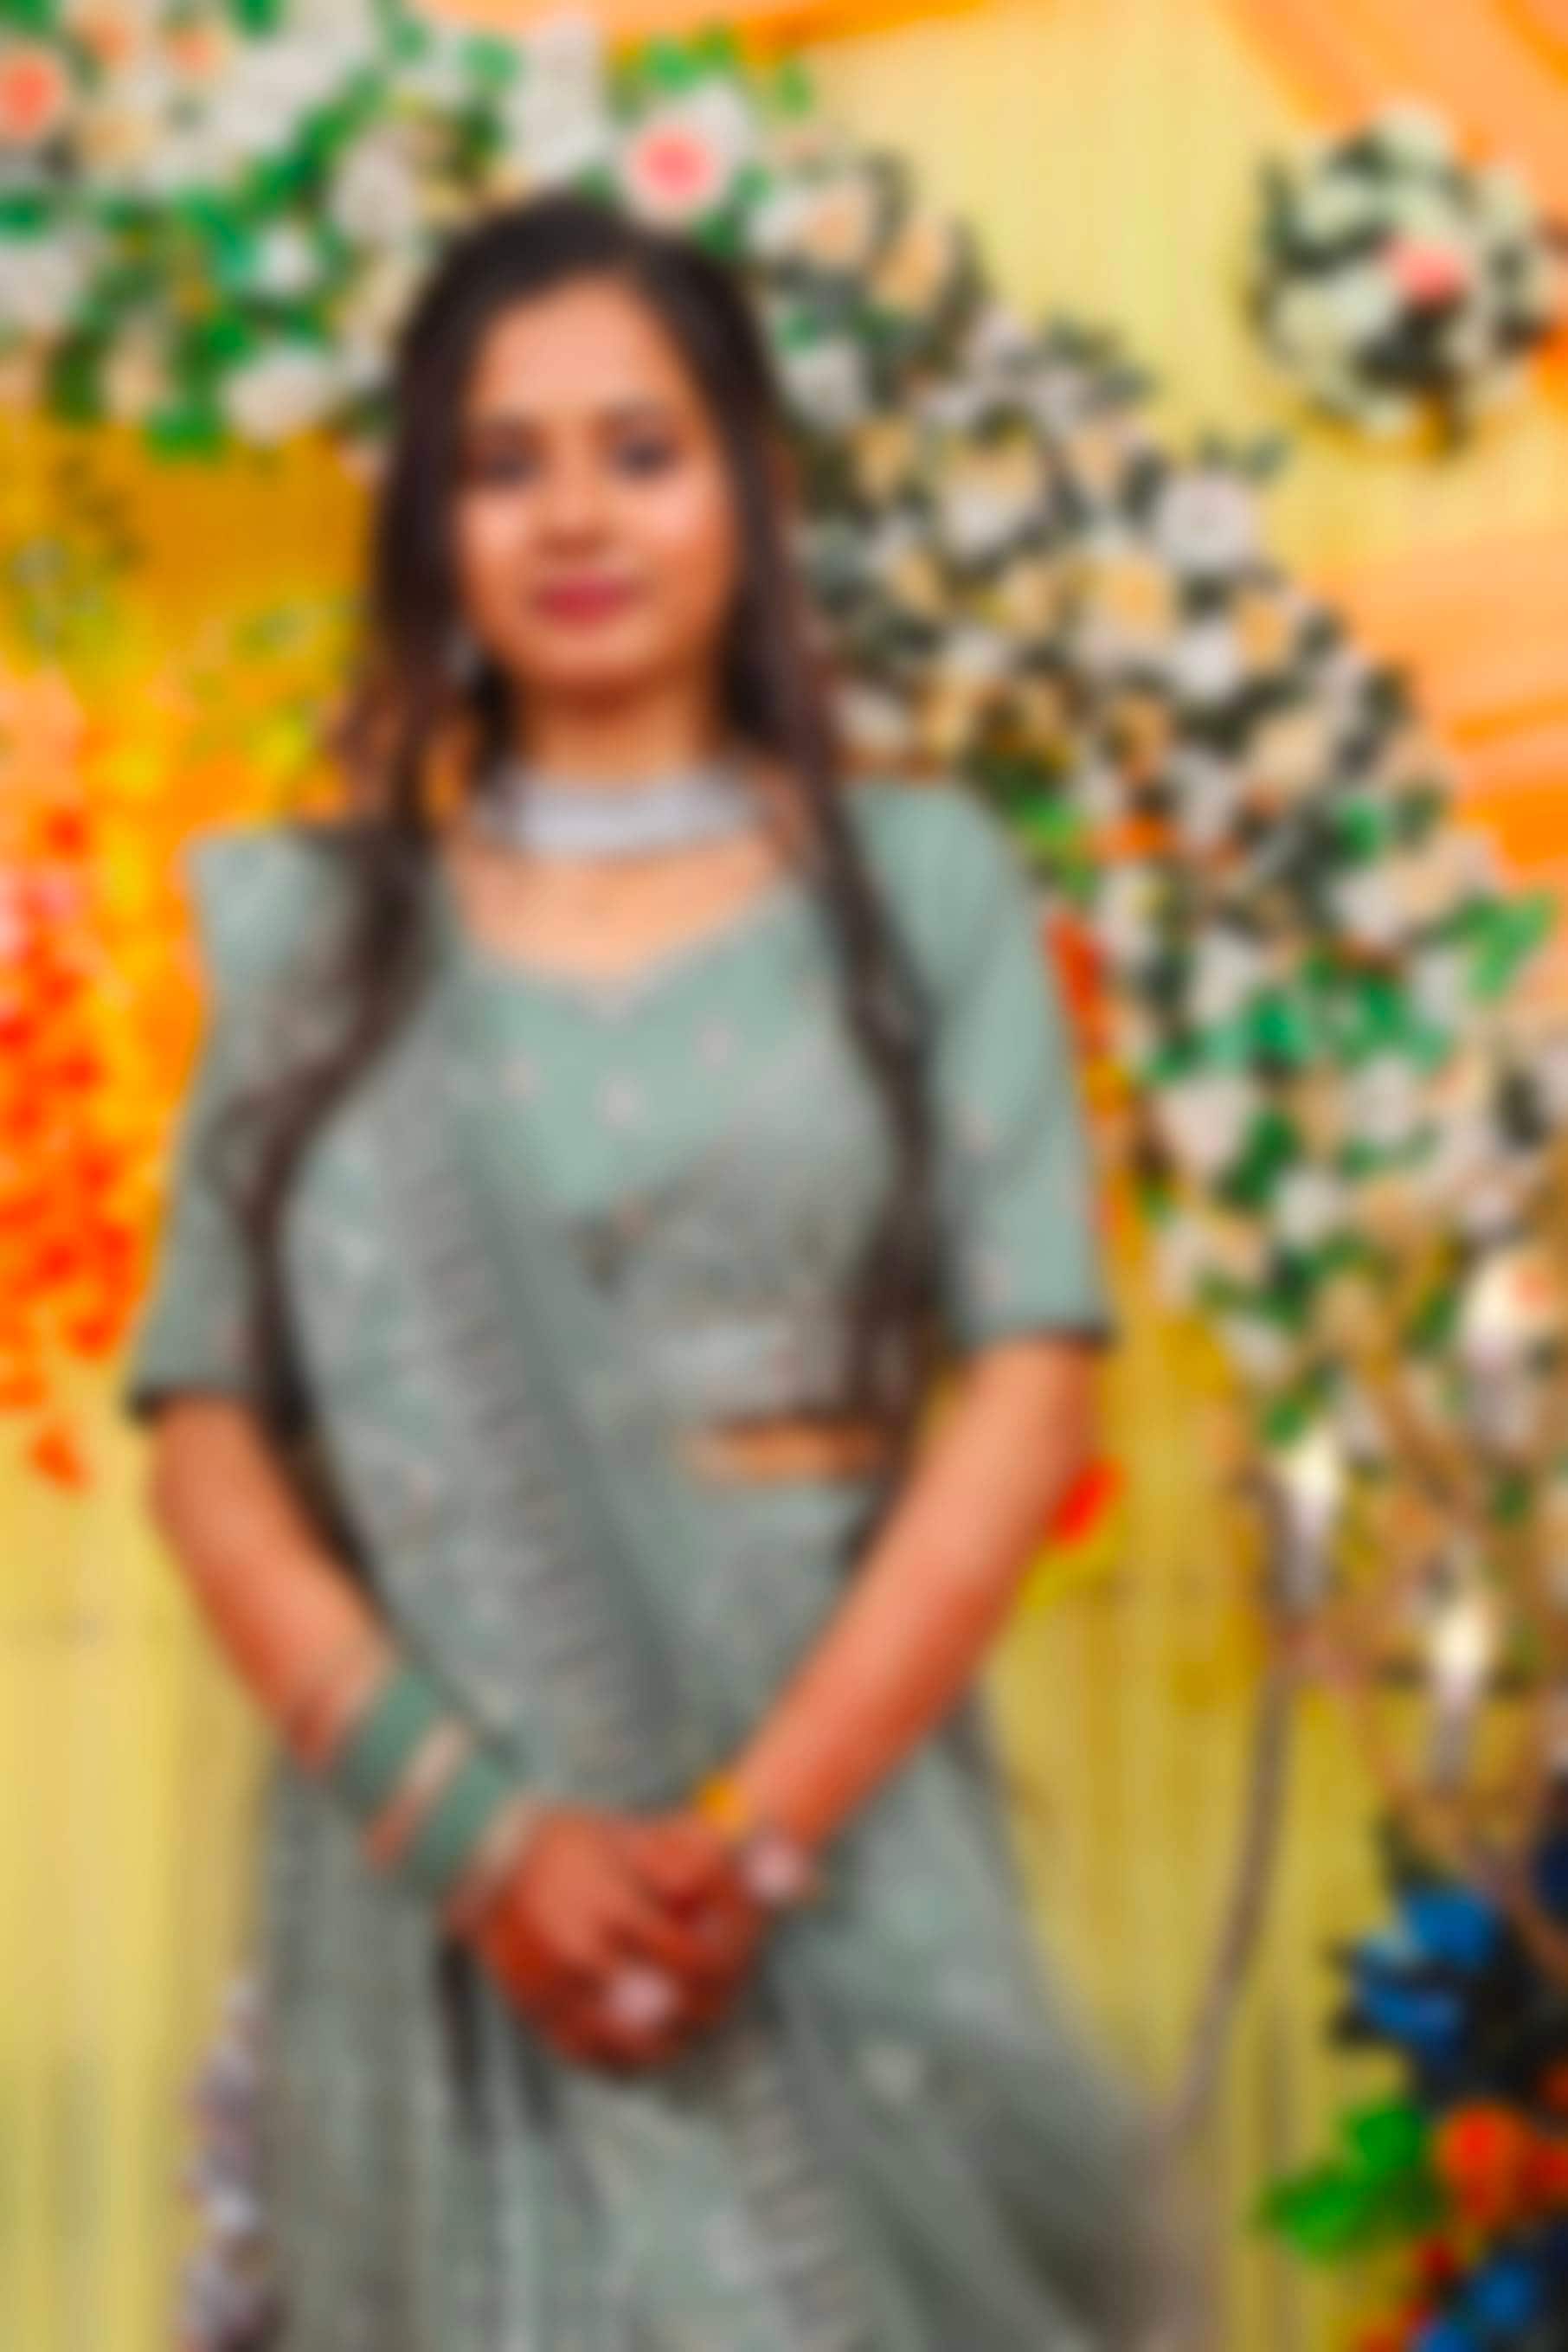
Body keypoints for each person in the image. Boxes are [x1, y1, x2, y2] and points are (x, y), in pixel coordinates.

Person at [124, 190, 1187, 2352]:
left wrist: (754, 1843)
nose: (574, 518)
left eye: (640, 449)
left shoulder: (920, 883)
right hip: (433, 1824)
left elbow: (1032, 1383)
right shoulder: (328, 945)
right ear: (431, 528)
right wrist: (475, 1835)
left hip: (834, 1807)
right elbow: (206, 1434)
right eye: (501, 466)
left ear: (751, 489)